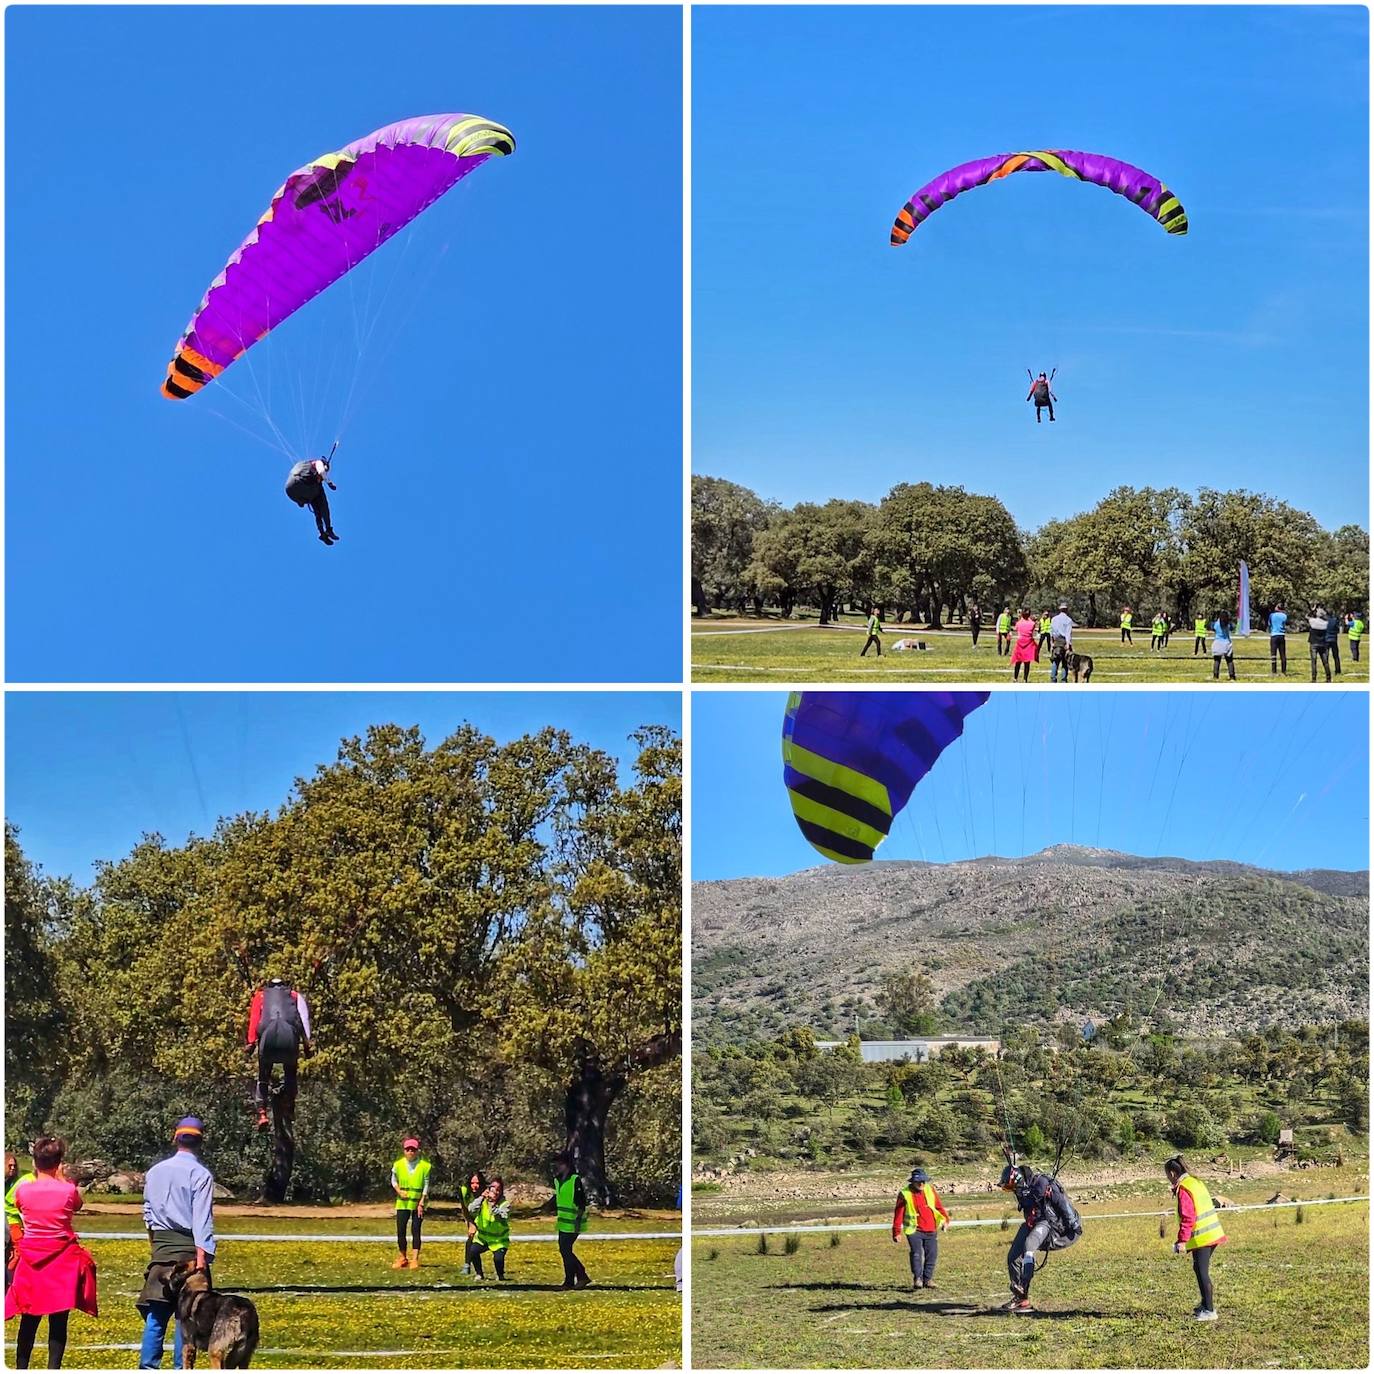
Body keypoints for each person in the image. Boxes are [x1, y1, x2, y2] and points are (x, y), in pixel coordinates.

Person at [4, 1137, 96, 1369]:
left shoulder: (23, 1191)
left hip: (32, 1258)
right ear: (59, 1162)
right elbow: (77, 1205)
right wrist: (63, 1178)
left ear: (35, 1162)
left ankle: (21, 1368)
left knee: (29, 1318)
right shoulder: (67, 1190)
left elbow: (15, 1206)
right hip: (62, 1260)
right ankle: (53, 1368)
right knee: (58, 1320)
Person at [137, 1117, 216, 1370]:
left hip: (161, 1248)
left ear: (175, 1138)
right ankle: (180, 1368)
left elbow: (147, 1212)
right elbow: (201, 1219)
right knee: (186, 1318)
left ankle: (148, 1367)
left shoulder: (155, 1171)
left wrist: (155, 1243)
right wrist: (202, 1261)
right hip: (190, 1253)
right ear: (200, 1141)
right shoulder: (201, 1175)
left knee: (156, 1315)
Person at [999, 1160, 1082, 1312]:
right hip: (1031, 1223)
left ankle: (1023, 1287)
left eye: (1011, 1186)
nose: (1012, 1190)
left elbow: (1061, 1202)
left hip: (1046, 1223)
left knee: (1028, 1247)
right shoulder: (1022, 1190)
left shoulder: (1043, 1183)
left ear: (1018, 1180)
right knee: (1013, 1257)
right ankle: (1021, 1300)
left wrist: (1073, 1225)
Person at [1164, 1155, 1226, 1322]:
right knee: (1198, 1268)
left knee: (1201, 1271)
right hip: (1211, 1233)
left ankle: (1210, 1310)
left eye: (1167, 1175)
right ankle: (1205, 1305)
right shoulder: (1195, 1182)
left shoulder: (1184, 1188)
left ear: (1172, 1173)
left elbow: (1188, 1217)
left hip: (1203, 1236)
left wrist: (1182, 1241)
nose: (1168, 1179)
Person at [246, 977, 312, 1130]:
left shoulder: (260, 996)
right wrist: (307, 1045)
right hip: (289, 1043)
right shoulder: (295, 996)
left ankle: (262, 1112)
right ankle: (289, 1105)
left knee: (263, 1075)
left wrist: (250, 1042)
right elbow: (304, 1020)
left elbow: (254, 1021)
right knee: (290, 1072)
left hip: (267, 1044)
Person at [891, 1167, 949, 1290]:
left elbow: (939, 1207)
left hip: (931, 1229)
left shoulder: (930, 1190)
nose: (922, 1184)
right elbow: (898, 1214)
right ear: (912, 1181)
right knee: (916, 1254)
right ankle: (918, 1279)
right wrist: (896, 1232)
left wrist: (945, 1220)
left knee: (932, 1255)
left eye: (924, 1181)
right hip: (914, 1230)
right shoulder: (905, 1194)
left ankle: (928, 1279)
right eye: (919, 1181)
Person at [547, 1154, 590, 1290]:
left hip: (573, 1223)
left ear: (566, 1165)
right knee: (565, 1250)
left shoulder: (574, 1180)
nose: (555, 1169)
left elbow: (581, 1202)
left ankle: (574, 1279)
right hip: (563, 1222)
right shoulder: (558, 1181)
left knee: (565, 1250)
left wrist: (578, 1219)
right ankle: (578, 1278)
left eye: (558, 1165)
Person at [390, 1138, 430, 1270]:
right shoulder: (398, 1165)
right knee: (400, 1230)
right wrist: (398, 1191)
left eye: (413, 1149)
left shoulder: (424, 1166)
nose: (410, 1152)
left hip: (417, 1203)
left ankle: (414, 1259)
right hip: (402, 1203)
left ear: (417, 1151)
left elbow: (426, 1184)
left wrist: (422, 1201)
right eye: (408, 1149)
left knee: (416, 1230)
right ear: (404, 1151)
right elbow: (393, 1180)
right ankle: (402, 1257)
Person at [465, 1177, 511, 1281]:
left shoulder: (505, 1204)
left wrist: (493, 1204)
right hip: (483, 1238)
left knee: (498, 1259)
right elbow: (471, 1209)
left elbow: (501, 1215)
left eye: (498, 1189)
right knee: (472, 1251)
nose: (495, 1192)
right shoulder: (482, 1201)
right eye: (493, 1188)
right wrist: (482, 1197)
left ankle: (500, 1275)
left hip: (499, 1240)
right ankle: (479, 1274)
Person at [285, 457, 339, 544]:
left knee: (316, 507)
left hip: (291, 489)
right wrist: (329, 482)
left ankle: (322, 532)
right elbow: (321, 471)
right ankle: (328, 529)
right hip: (301, 484)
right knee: (322, 500)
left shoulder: (302, 464)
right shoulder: (318, 462)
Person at [6, 1152, 36, 1292]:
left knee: (18, 1252)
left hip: (15, 1222)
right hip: (10, 1222)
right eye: (9, 1165)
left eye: (14, 1165)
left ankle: (10, 1279)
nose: (12, 1168)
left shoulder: (25, 1178)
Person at [1048, 602, 1074, 683]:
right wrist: (1068, 644)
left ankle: (1053, 678)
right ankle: (1063, 679)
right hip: (1063, 641)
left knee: (1055, 661)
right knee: (1065, 662)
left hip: (1056, 641)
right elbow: (1068, 633)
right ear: (1067, 610)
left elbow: (1051, 632)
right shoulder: (1068, 620)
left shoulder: (1054, 619)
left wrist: (1052, 642)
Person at [1010, 609, 1037, 683]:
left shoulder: (1019, 623)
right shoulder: (1032, 623)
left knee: (1018, 662)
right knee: (1027, 662)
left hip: (1020, 642)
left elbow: (1016, 629)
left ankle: (1015, 678)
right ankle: (1025, 679)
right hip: (1028, 642)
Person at [1307, 607, 1332, 683]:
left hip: (1314, 644)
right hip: (1323, 644)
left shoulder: (1313, 621)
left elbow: (1307, 616)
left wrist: (1312, 610)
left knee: (1314, 662)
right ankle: (1328, 678)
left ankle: (1314, 678)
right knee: (1325, 662)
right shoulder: (1325, 623)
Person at [1211, 612, 1236, 681]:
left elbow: (1211, 626)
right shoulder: (1228, 624)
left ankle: (1215, 676)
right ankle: (1232, 676)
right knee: (1229, 661)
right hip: (1227, 644)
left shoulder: (1216, 624)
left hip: (1217, 643)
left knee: (1217, 661)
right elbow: (1233, 627)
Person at [1267, 605, 1288, 675]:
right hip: (1282, 635)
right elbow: (1284, 624)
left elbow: (1269, 624)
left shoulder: (1272, 615)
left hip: (1274, 635)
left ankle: (1274, 671)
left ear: (1277, 608)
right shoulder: (1284, 616)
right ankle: (1284, 671)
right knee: (1283, 654)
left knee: (1273, 654)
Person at [1324, 607, 1342, 676]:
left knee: (1326, 656)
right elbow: (1337, 629)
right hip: (1334, 639)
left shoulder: (1325, 621)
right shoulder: (1335, 620)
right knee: (1336, 656)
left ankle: (1327, 670)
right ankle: (1338, 670)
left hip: (1326, 639)